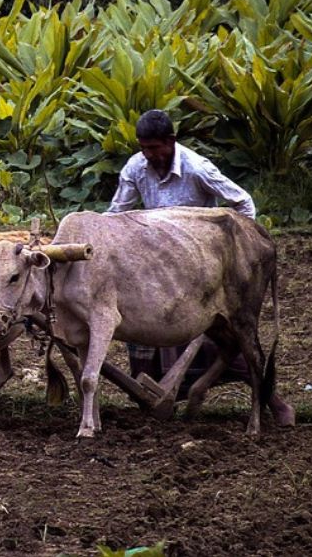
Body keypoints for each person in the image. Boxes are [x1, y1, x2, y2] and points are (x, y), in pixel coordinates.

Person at [106, 110, 293, 424]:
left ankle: (275, 403)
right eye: (144, 148)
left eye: (155, 148)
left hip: (201, 263)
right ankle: (165, 395)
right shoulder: (136, 167)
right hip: (158, 262)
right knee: (144, 327)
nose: (149, 155)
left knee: (227, 337)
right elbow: (115, 214)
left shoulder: (197, 168)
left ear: (170, 142)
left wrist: (238, 252)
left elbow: (242, 202)